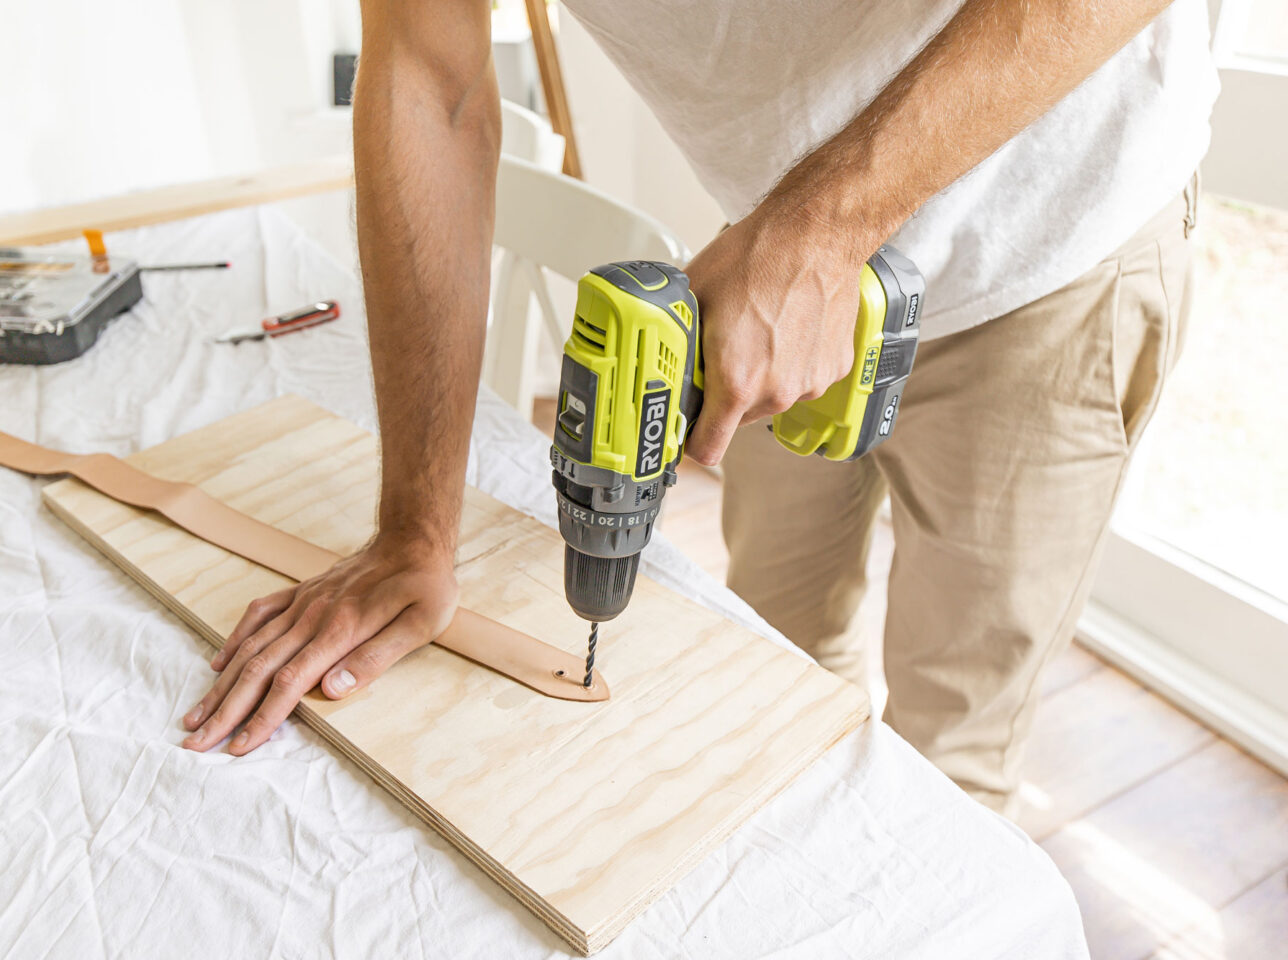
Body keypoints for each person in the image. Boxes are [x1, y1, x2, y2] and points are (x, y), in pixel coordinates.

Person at [179, 0, 1216, 814]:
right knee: (772, 673)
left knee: (951, 751)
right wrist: (415, 528)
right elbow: (430, 85)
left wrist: (821, 227)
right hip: (769, 266)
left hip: (1052, 245)